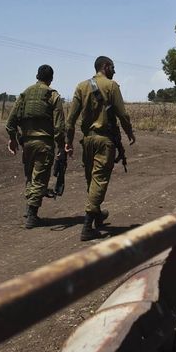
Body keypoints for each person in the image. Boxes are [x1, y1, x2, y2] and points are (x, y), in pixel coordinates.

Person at [66, 56, 136, 241]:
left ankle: (97, 216)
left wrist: (68, 142)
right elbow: (123, 114)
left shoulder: (81, 87)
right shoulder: (112, 86)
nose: (114, 71)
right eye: (113, 67)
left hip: (87, 140)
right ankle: (87, 226)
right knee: (99, 180)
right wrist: (130, 133)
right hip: (104, 141)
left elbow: (70, 120)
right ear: (105, 67)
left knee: (91, 180)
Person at [6, 64, 65, 229]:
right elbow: (59, 127)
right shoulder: (52, 95)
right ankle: (32, 216)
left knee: (31, 177)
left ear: (37, 76)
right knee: (39, 178)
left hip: (27, 145)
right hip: (44, 144)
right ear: (51, 78)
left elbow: (10, 123)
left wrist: (12, 139)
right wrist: (61, 146)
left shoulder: (25, 94)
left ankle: (28, 209)